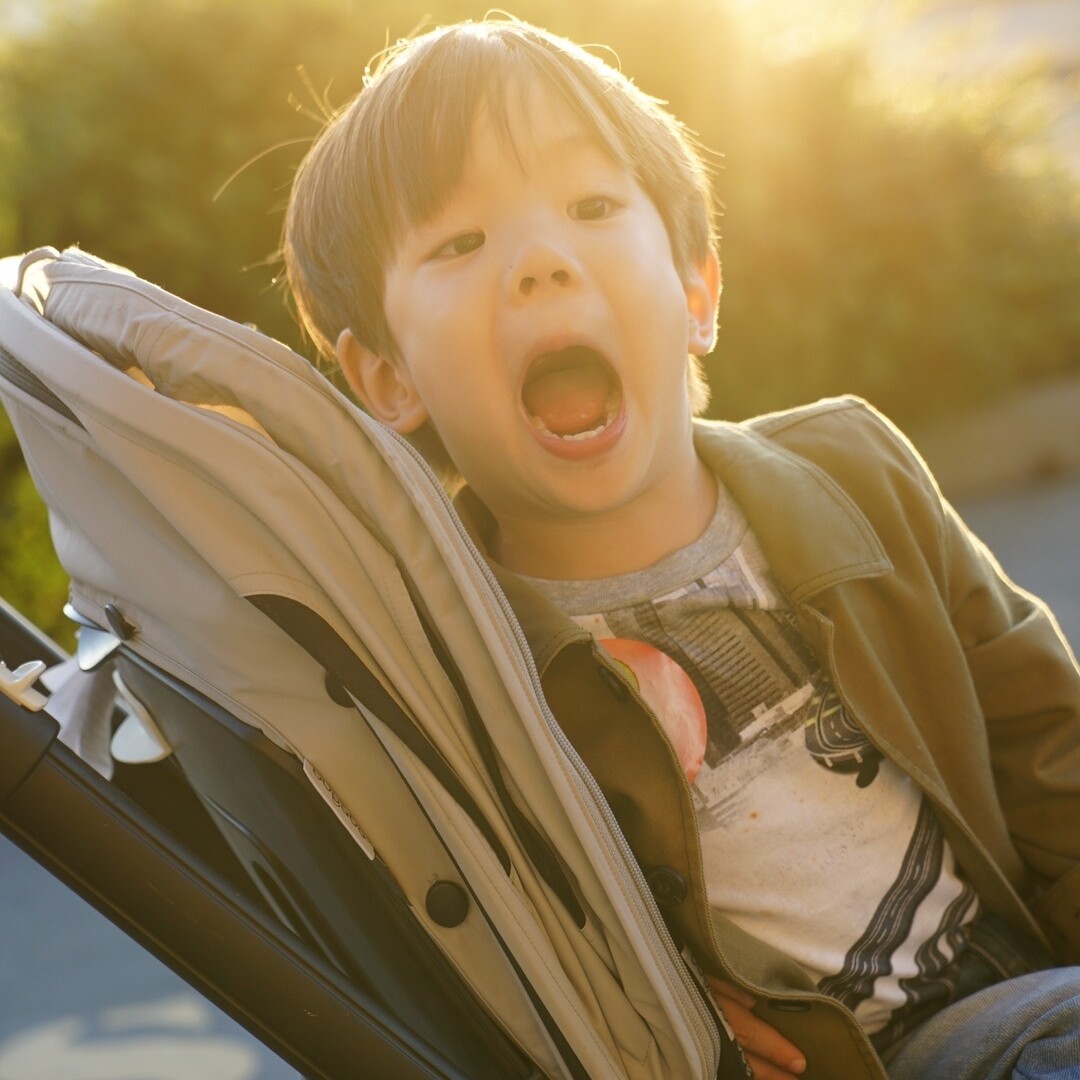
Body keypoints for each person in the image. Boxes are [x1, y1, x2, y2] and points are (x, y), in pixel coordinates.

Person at [283, 17, 1080, 1079]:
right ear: (389, 377)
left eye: (591, 207)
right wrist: (654, 1010)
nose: (541, 263)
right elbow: (489, 941)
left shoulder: (855, 472)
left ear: (697, 292)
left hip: (1022, 993)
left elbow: (1048, 745)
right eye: (459, 244)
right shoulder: (453, 662)